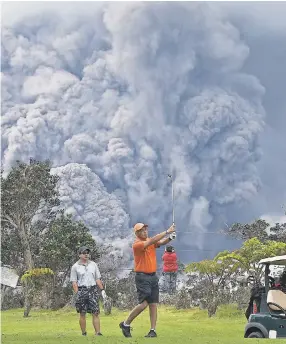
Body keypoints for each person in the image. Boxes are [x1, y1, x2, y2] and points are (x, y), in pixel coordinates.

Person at [119, 222, 176, 338]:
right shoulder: (138, 244)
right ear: (137, 233)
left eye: (145, 229)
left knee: (153, 303)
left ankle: (152, 330)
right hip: (142, 276)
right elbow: (153, 241)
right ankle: (126, 324)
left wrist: (169, 238)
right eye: (142, 230)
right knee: (144, 304)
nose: (145, 231)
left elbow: (159, 243)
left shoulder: (150, 241)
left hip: (152, 276)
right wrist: (167, 231)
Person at [70, 246, 107, 336]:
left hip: (93, 289)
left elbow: (97, 279)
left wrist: (102, 290)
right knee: (82, 313)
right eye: (84, 253)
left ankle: (98, 332)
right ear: (79, 255)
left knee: (95, 312)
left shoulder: (93, 264)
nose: (86, 255)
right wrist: (77, 293)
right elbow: (74, 282)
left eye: (87, 253)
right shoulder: (75, 267)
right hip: (82, 290)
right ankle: (84, 332)